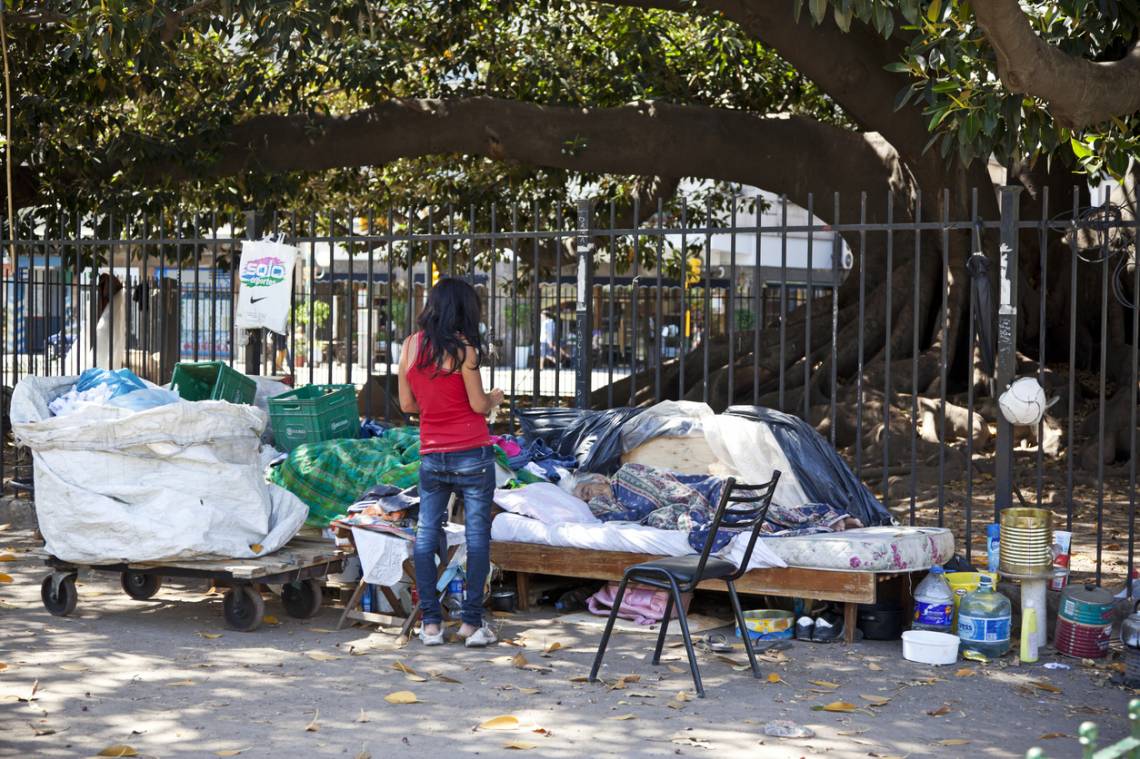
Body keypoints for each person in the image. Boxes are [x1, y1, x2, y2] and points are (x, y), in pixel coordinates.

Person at [398, 278, 504, 648]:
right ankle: (470, 625)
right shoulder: (464, 350)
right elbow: (477, 406)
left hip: (432, 454)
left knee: (426, 534)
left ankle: (430, 624)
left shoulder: (411, 346)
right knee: (477, 538)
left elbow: (407, 405)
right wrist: (493, 399)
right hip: (472, 453)